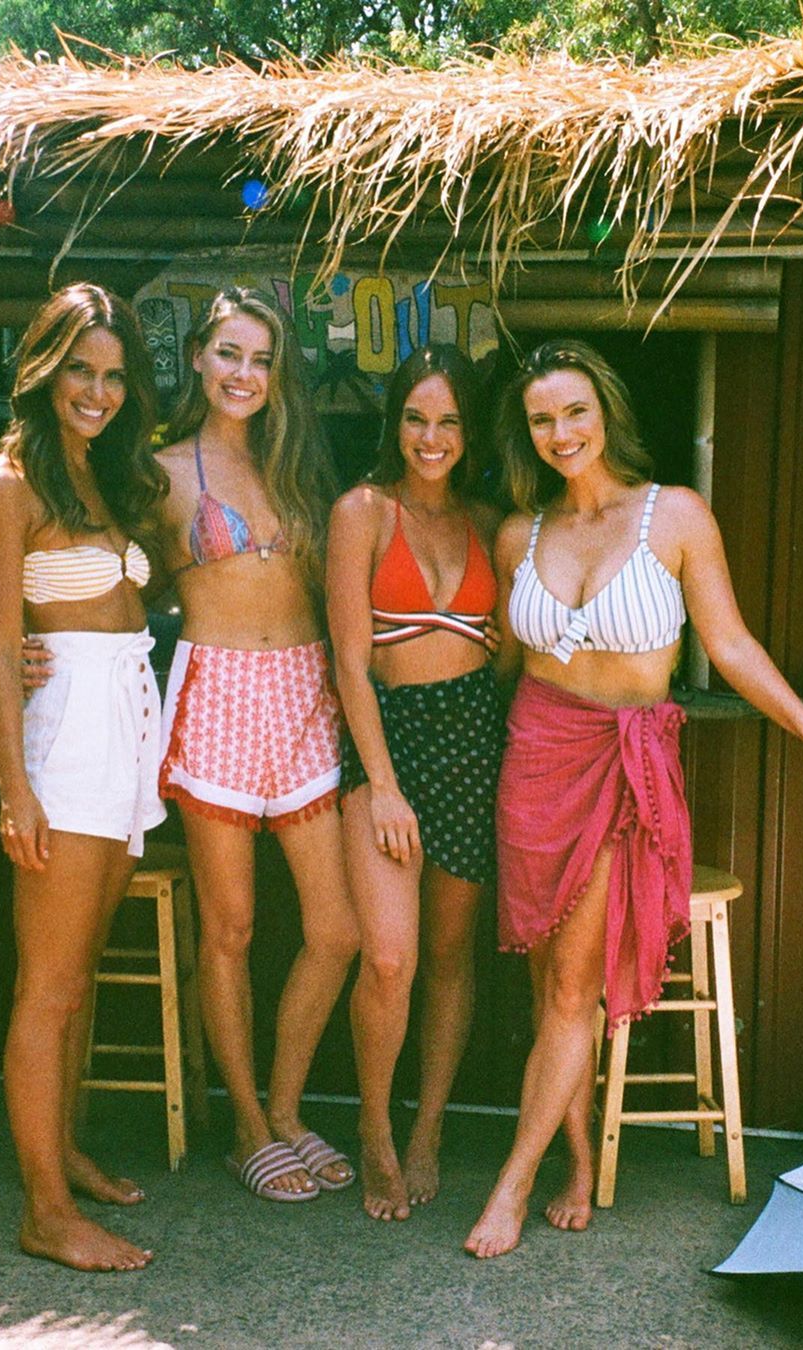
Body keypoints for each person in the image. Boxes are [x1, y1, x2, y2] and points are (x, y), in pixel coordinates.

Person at [464, 338, 803, 1259]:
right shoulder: (519, 533)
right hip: (535, 759)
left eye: (575, 411)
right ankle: (576, 1163)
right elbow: (501, 662)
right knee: (550, 984)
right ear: (526, 433)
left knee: (571, 986)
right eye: (541, 419)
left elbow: (728, 645)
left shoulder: (674, 514)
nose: (561, 432)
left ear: (605, 411)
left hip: (624, 764)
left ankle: (510, 1185)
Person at [0, 284, 169, 1272]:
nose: (98, 391)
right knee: (48, 986)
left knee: (80, 972)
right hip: (68, 741)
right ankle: (44, 1210)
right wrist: (17, 791)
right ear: (44, 370)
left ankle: (65, 1152)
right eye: (81, 370)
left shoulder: (102, 472)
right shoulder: (7, 484)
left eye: (114, 375)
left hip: (127, 725)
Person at [154, 287, 359, 1200]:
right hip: (218, 693)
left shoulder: (297, 466)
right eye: (230, 354)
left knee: (336, 930)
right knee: (229, 927)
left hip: (305, 692)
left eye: (263, 360)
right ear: (199, 357)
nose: (245, 374)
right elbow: (109, 578)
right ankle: (245, 1126)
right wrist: (39, 640)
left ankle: (284, 1107)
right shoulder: (158, 473)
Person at [326, 345, 504, 1221]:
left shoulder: (489, 521)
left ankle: (428, 1128)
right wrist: (385, 785)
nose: (431, 438)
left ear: (470, 432)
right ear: (393, 422)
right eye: (415, 418)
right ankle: (375, 1130)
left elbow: (512, 653)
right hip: (385, 740)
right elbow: (350, 665)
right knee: (389, 955)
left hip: (471, 737)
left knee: (448, 955)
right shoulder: (362, 511)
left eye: (449, 422)